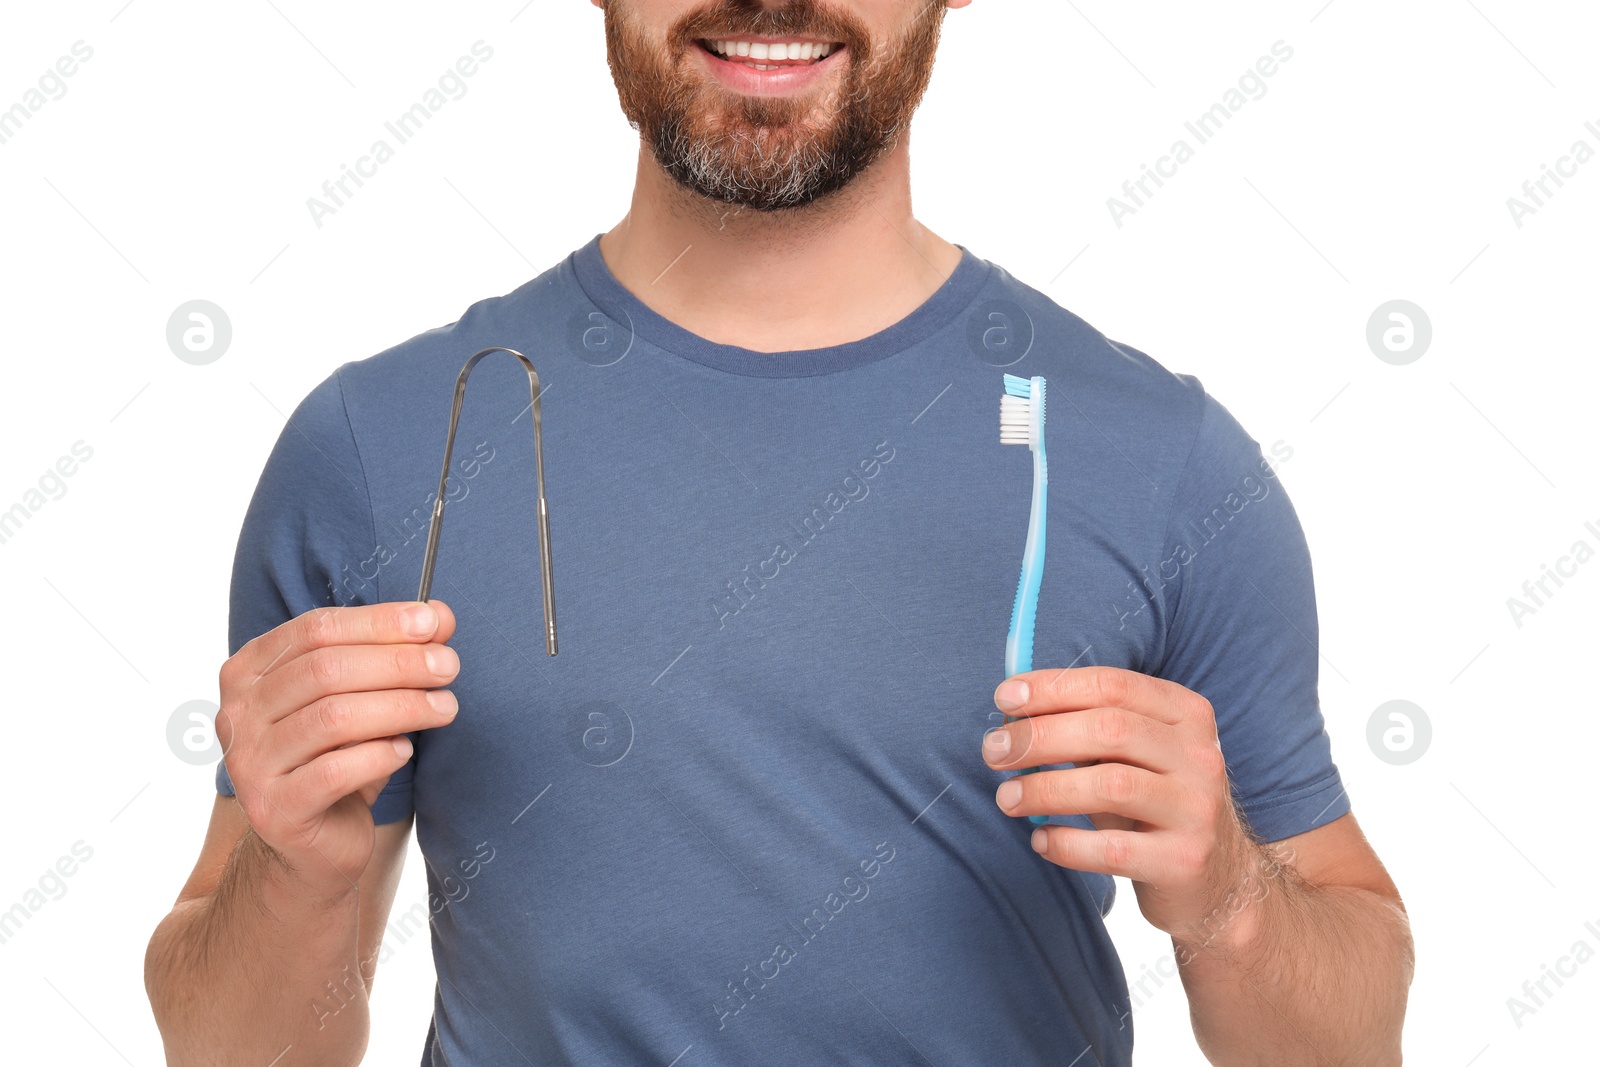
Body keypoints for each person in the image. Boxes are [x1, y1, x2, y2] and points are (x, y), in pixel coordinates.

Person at [144, 1, 1415, 1064]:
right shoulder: (377, 448)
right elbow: (225, 1043)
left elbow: (1355, 1038)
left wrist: (1235, 902)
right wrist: (290, 873)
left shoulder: (1165, 462)